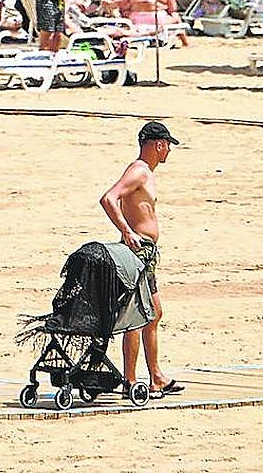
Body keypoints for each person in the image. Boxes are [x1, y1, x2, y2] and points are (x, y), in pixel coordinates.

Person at [98, 122, 184, 399]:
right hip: (137, 252)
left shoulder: (146, 172)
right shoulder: (139, 171)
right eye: (167, 145)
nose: (168, 151)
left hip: (147, 253)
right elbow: (108, 198)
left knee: (154, 313)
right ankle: (130, 381)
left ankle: (156, 377)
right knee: (136, 316)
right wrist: (126, 231)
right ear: (159, 145)